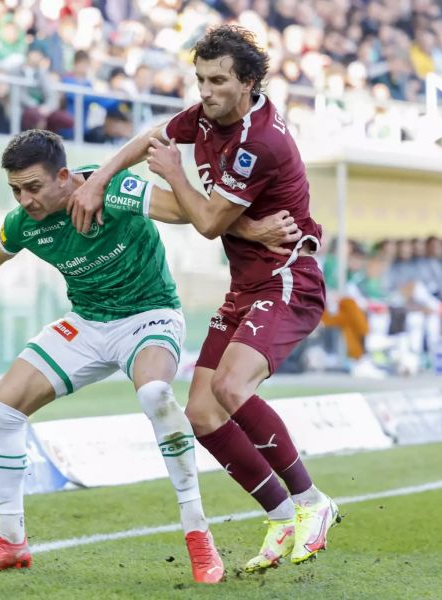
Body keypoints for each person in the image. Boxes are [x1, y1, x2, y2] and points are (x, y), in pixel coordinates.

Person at [0, 129, 300, 582]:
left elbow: (188, 212)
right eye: (16, 189)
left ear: (64, 176)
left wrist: (251, 229)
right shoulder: (24, 223)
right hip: (88, 323)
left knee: (154, 394)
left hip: (150, 316)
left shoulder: (114, 189)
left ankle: (198, 535)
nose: (25, 199)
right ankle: (11, 541)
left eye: (33, 186)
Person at [67, 24, 340, 573]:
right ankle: (281, 514)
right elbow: (149, 138)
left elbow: (210, 222)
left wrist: (173, 172)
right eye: (200, 79)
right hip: (246, 284)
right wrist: (98, 181)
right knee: (201, 412)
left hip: (289, 278)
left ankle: (314, 502)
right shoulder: (209, 115)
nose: (206, 90)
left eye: (218, 80)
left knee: (230, 386)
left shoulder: (259, 142)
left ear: (248, 83)